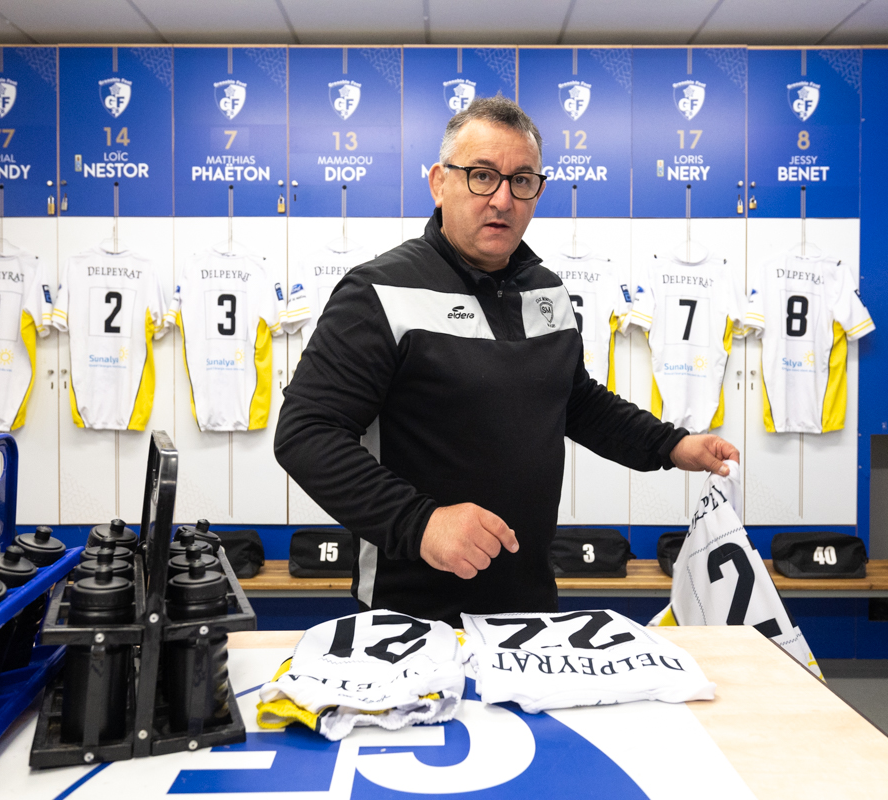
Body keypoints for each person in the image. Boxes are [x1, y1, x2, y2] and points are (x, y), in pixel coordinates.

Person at [275, 96, 739, 625]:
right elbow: (306, 434)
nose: (501, 199)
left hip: (529, 604)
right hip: (409, 613)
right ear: (438, 182)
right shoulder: (377, 291)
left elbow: (574, 401)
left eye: (521, 180)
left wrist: (672, 444)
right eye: (481, 176)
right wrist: (422, 523)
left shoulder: (547, 291)